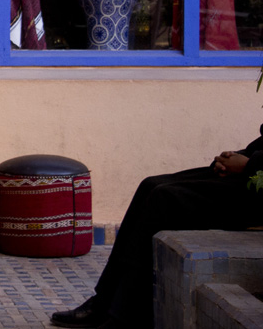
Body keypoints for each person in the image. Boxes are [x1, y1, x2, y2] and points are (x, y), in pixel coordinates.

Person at [51, 124, 263, 328]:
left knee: (165, 199)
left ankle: (125, 316)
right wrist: (231, 158)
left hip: (257, 189)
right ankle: (104, 300)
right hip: (254, 170)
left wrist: (249, 163)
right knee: (150, 185)